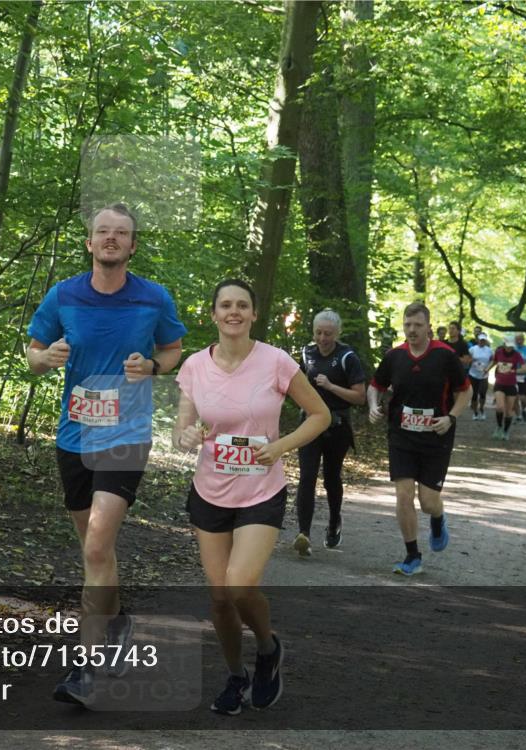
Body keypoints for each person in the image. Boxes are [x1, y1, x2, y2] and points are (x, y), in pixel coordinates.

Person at [26, 203, 186, 706]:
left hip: (127, 434)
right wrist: (45, 358)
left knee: (97, 547)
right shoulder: (64, 295)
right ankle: (116, 625)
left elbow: (174, 350)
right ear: (90, 244)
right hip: (73, 438)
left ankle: (86, 669)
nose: (112, 239)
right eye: (103, 232)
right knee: (95, 550)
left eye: (122, 233)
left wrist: (153, 368)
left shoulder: (153, 297)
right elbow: (32, 352)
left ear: (133, 246)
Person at [173, 279, 330, 715]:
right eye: (225, 305)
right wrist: (186, 435)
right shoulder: (193, 366)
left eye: (242, 304)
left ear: (253, 314)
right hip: (210, 491)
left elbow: (321, 415)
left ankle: (267, 648)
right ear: (213, 314)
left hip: (261, 490)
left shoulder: (276, 362)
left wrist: (280, 447)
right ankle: (235, 677)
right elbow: (181, 430)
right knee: (220, 597)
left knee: (240, 583)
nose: (234, 312)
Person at [367, 302, 471, 576]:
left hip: (437, 436)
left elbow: (465, 392)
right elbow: (375, 386)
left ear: (428, 326)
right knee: (403, 495)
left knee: (428, 501)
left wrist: (451, 418)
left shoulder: (445, 356)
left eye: (418, 325)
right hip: (401, 435)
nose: (412, 330)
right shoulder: (394, 356)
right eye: (408, 324)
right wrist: (373, 406)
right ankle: (412, 556)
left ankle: (438, 518)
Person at [292, 309, 366, 557]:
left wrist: (332, 386)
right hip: (310, 424)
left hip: (337, 427)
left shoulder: (347, 357)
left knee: (331, 477)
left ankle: (334, 521)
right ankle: (304, 534)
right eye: (319, 332)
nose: (323, 338)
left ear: (338, 333)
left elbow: (359, 396)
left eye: (328, 333)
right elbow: (298, 383)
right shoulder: (307, 352)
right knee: (307, 477)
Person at [488, 336, 525, 441]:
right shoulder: (499, 352)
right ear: (504, 344)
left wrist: (515, 371)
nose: (509, 348)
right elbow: (494, 362)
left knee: (509, 411)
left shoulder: (517, 355)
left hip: (511, 385)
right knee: (500, 407)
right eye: (507, 345)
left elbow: (524, 367)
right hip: (499, 384)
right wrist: (487, 369)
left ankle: (506, 431)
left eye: (511, 346)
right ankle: (499, 426)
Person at [467, 334, 493, 420]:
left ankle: (481, 408)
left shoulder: (489, 350)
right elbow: (467, 360)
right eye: (481, 340)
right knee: (474, 395)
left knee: (482, 393)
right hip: (473, 374)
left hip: (484, 375)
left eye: (484, 340)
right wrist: (471, 360)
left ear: (486, 341)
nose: (482, 342)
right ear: (478, 340)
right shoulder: (472, 349)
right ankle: (475, 412)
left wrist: (488, 368)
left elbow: (493, 360)